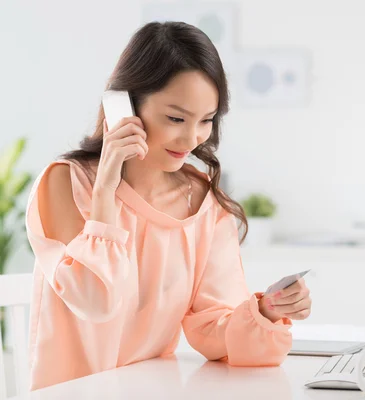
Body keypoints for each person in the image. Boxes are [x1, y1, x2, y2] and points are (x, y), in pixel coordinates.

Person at [25, 21, 312, 390]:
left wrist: (266, 312)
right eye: (175, 118)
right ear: (125, 106)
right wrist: (105, 193)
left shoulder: (203, 202)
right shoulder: (65, 183)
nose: (191, 139)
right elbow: (95, 302)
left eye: (206, 121)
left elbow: (211, 328)